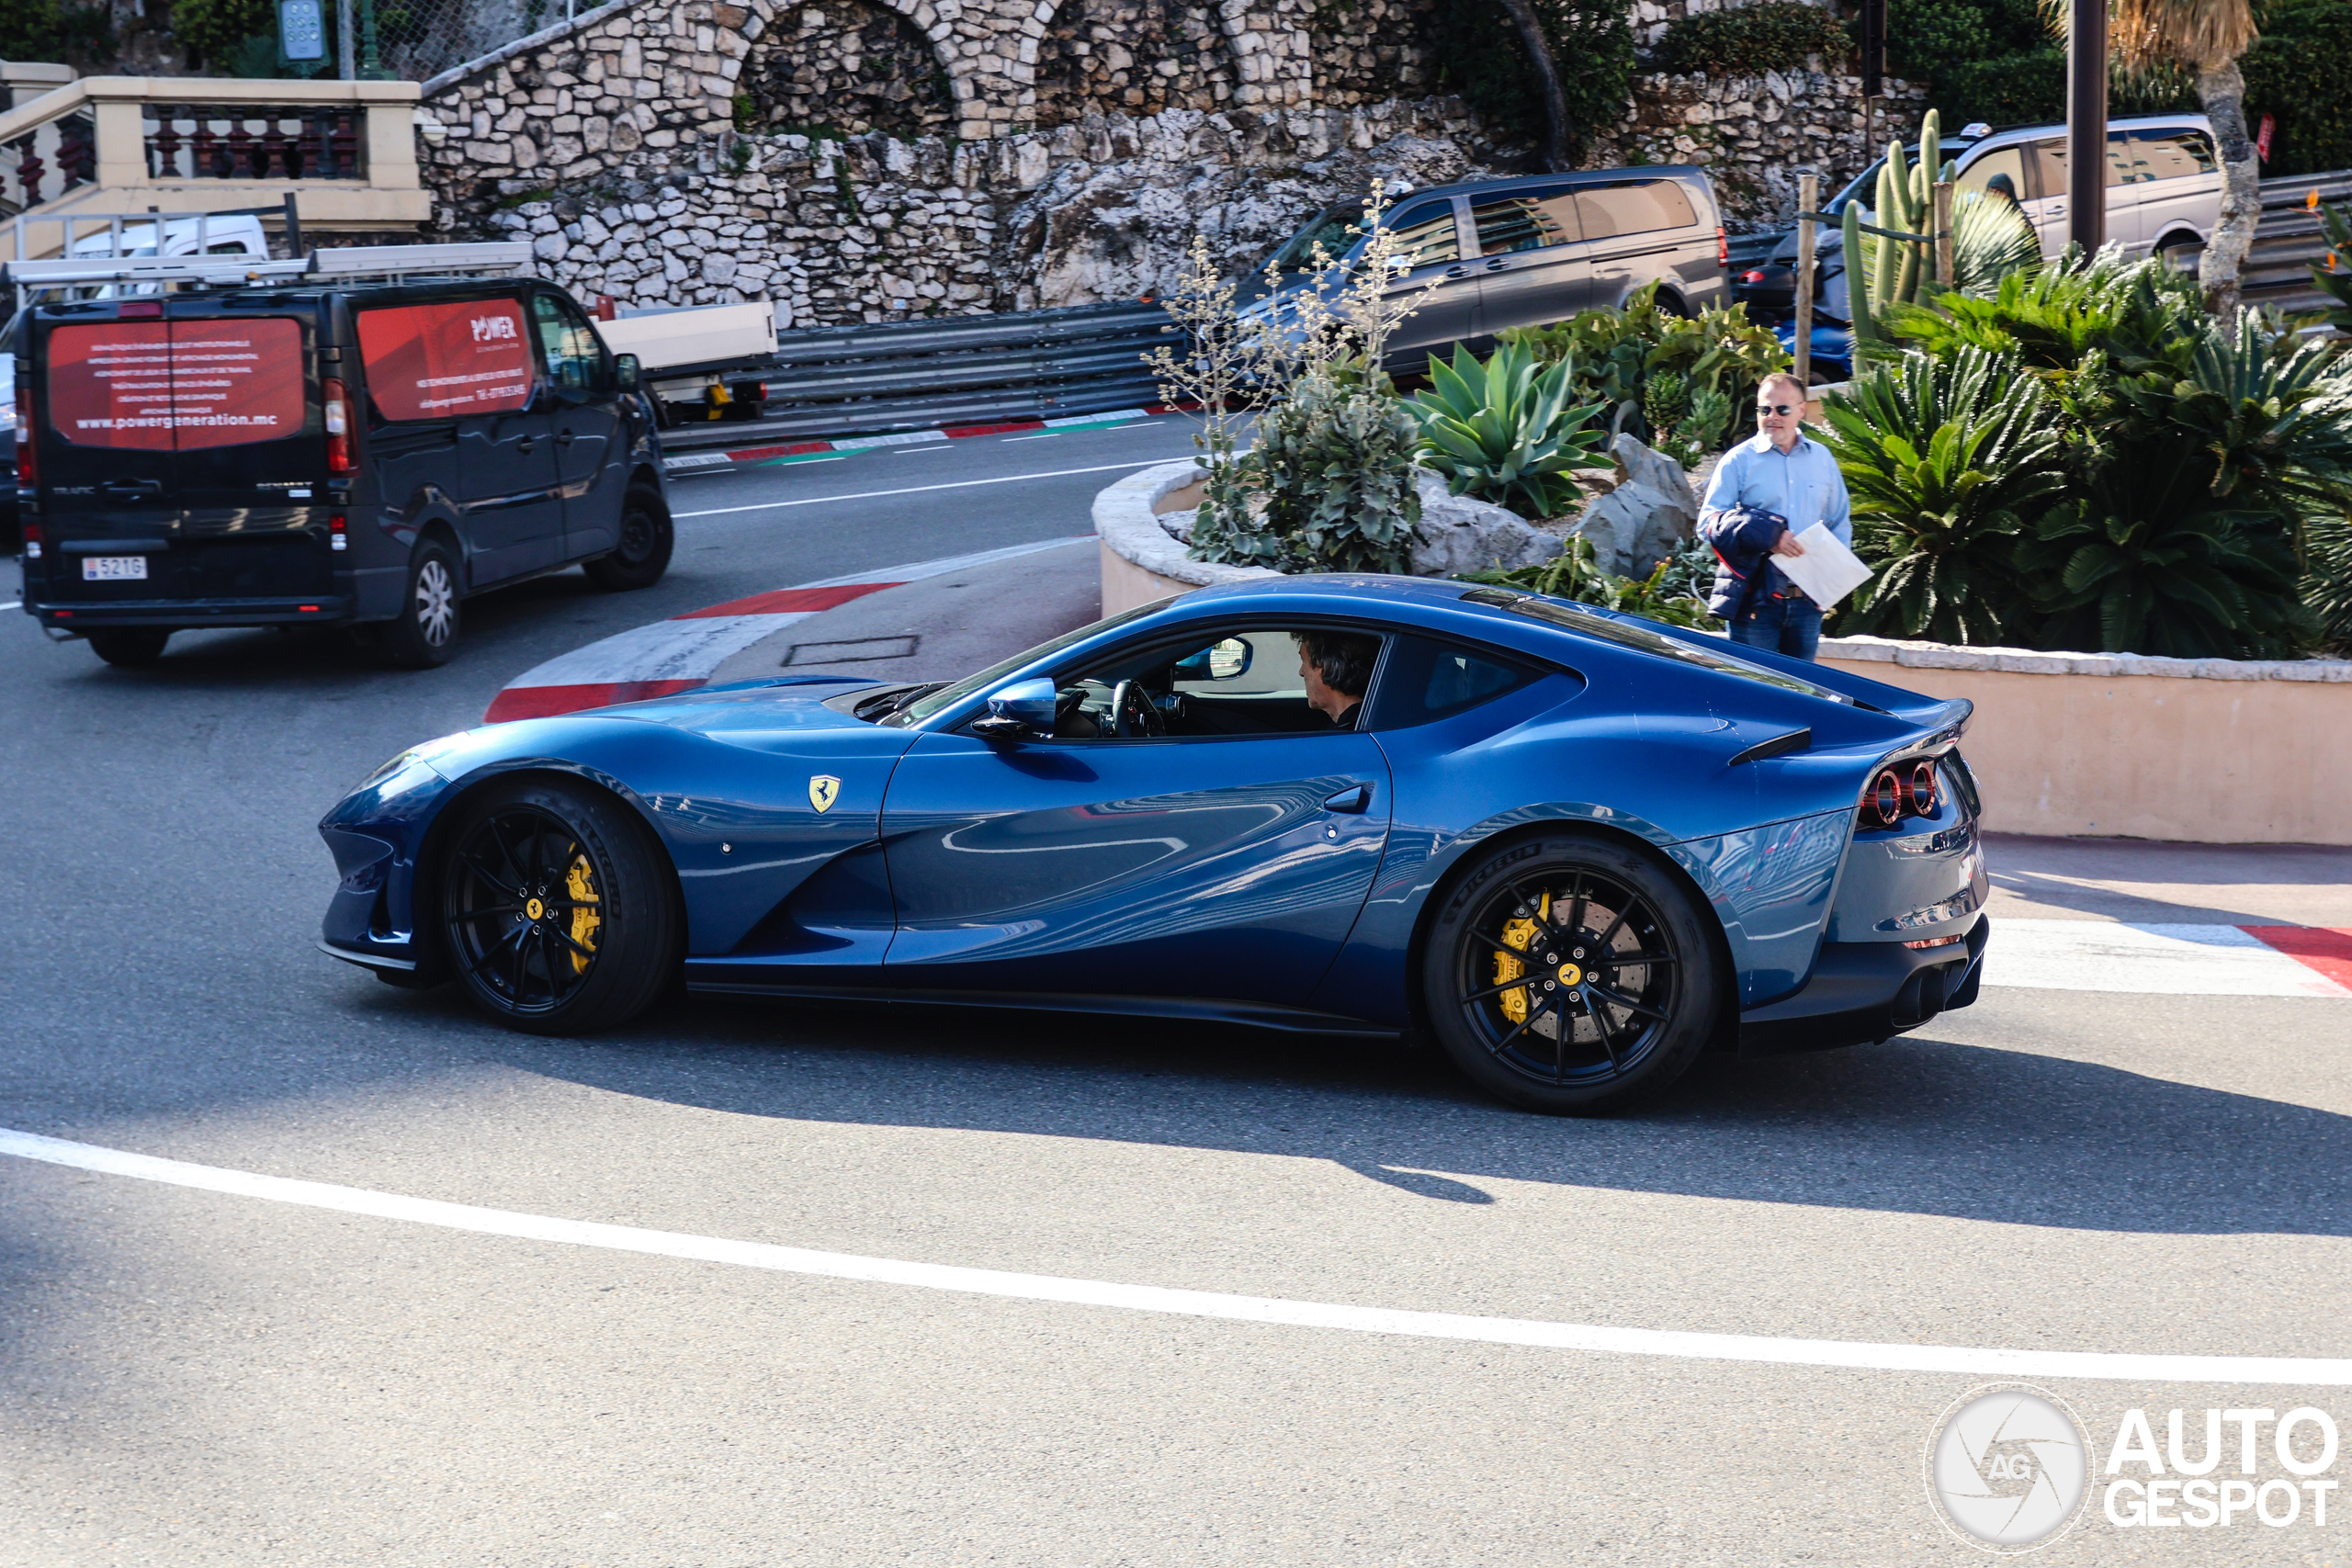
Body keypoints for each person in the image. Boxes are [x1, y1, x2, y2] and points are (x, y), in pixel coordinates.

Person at [1698, 370, 1852, 660]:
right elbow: (1707, 523)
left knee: (1804, 694)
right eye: (1764, 409)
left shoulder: (1822, 459)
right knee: (1756, 694)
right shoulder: (1738, 461)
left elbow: (1839, 522)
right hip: (1754, 599)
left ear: (1801, 410)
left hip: (1807, 603)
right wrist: (1769, 537)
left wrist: (1828, 587)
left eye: (1782, 409)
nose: (1772, 416)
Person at [1296, 629, 1377, 728]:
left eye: (1304, 661)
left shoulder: (1351, 735)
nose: (1301, 672)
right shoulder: (1365, 722)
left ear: (1324, 666)